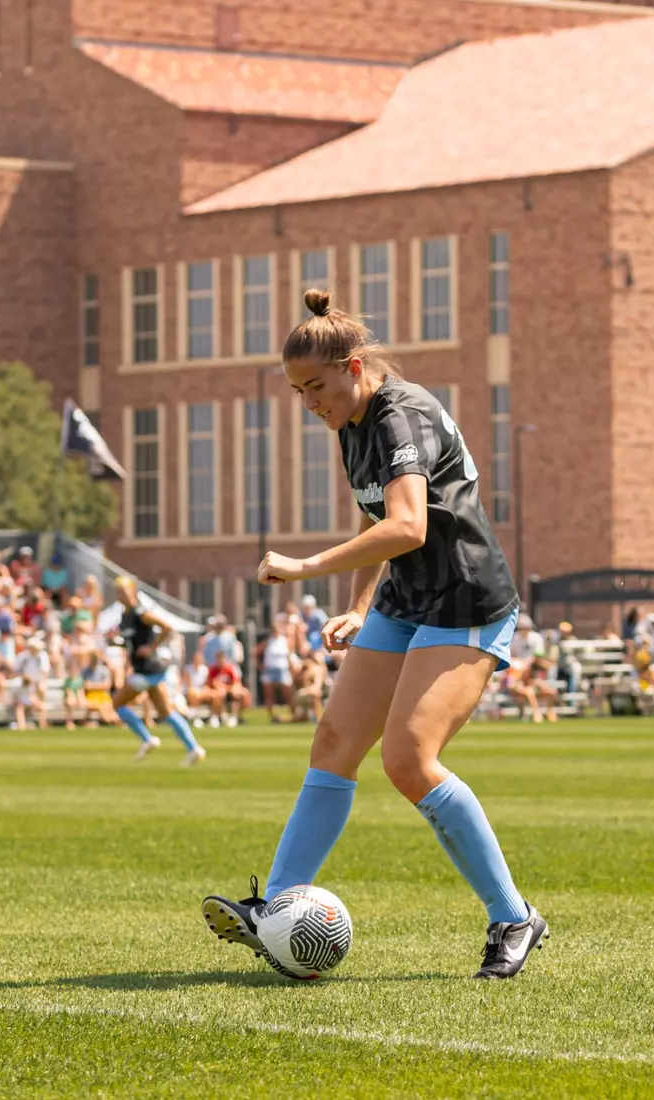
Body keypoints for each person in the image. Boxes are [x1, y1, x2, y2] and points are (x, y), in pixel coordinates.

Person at [203, 290, 544, 980]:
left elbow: (410, 526)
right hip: (407, 598)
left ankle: (514, 917)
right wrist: (360, 606)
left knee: (409, 758)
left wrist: (305, 567)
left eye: (317, 388)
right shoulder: (352, 421)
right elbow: (374, 518)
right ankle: (274, 907)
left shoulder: (400, 415)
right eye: (299, 392)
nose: (310, 404)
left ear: (354, 368)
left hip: (466, 599)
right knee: (333, 743)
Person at [108, 576, 206, 765]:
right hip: (145, 671)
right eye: (118, 590)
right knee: (166, 713)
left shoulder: (140, 612)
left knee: (117, 703)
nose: (120, 594)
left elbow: (167, 627)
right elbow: (130, 642)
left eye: (124, 590)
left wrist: (152, 648)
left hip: (148, 670)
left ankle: (147, 739)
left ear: (133, 590)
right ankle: (194, 749)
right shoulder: (125, 616)